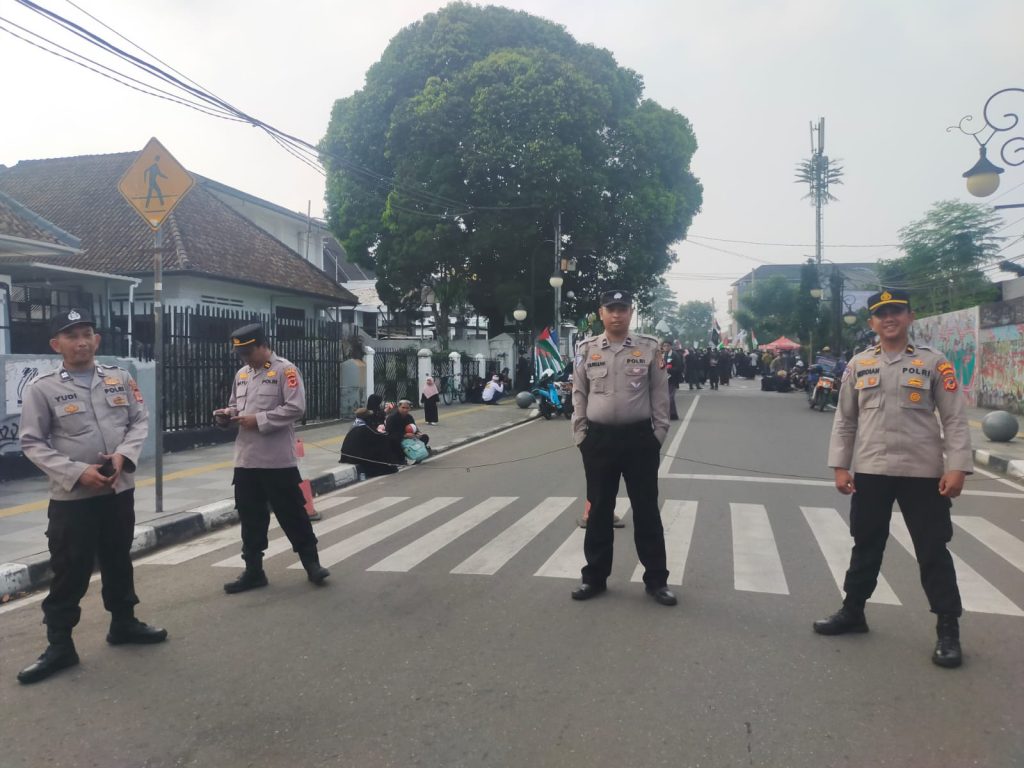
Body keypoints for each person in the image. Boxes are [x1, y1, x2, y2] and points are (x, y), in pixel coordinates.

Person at [814, 289, 972, 669]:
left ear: (909, 317)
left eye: (896, 311)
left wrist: (957, 467)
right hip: (871, 470)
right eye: (881, 313)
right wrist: (840, 465)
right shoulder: (859, 364)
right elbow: (845, 419)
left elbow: (954, 418)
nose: (889, 318)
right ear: (872, 322)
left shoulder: (935, 363)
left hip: (923, 473)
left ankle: (948, 629)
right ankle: (854, 612)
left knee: (933, 550)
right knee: (865, 544)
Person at [16, 308, 167, 685]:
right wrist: (76, 472)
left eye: (87, 333)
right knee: (71, 569)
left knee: (118, 559)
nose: (81, 341)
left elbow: (139, 419)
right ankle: (60, 644)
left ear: (97, 340)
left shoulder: (119, 378)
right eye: (71, 335)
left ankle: (124, 623)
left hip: (117, 490)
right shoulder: (43, 388)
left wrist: (124, 455)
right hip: (74, 499)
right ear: (56, 345)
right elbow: (32, 442)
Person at [570, 290, 676, 606]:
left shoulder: (649, 348)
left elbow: (660, 393)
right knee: (599, 508)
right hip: (599, 440)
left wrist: (658, 434)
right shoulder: (586, 349)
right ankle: (595, 578)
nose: (617, 315)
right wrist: (581, 435)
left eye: (623, 309)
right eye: (611, 309)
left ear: (631, 313)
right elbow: (579, 392)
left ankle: (657, 581)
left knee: (646, 510)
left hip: (639, 440)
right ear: (601, 313)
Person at [214, 324, 328, 594]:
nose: (244, 358)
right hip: (246, 461)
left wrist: (259, 420)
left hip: (277, 461)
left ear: (263, 345)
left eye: (248, 352)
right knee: (251, 518)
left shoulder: (285, 371)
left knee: (293, 515)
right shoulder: (242, 374)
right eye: (240, 353)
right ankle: (253, 571)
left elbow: (296, 408)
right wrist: (226, 415)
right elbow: (236, 405)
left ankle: (311, 563)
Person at [339, 408, 398, 478]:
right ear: (367, 417)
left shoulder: (355, 426)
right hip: (358, 458)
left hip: (347, 456)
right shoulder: (365, 428)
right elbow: (378, 436)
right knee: (383, 443)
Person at [385, 400, 429, 464]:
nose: (405, 410)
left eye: (407, 408)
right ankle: (401, 459)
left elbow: (414, 428)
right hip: (398, 438)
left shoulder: (409, 417)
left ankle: (418, 455)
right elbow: (389, 433)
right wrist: (404, 435)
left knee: (424, 437)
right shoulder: (392, 418)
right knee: (394, 440)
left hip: (410, 438)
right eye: (403, 408)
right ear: (398, 407)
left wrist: (417, 433)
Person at [659, 340, 680, 420]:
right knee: (665, 398)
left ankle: (672, 414)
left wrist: (669, 369)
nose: (666, 347)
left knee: (670, 397)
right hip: (663, 380)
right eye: (664, 346)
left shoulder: (675, 355)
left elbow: (679, 368)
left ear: (671, 346)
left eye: (667, 346)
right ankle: (672, 414)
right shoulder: (662, 355)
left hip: (672, 379)